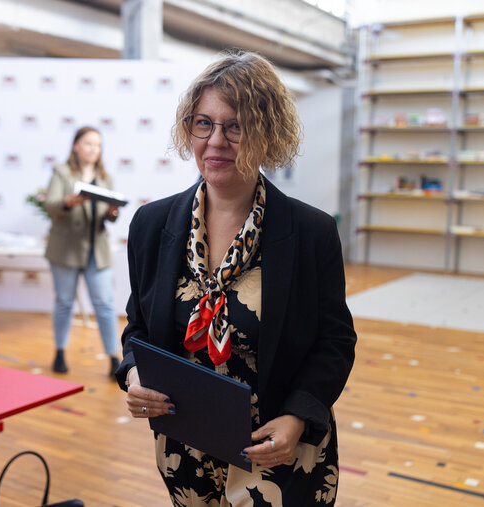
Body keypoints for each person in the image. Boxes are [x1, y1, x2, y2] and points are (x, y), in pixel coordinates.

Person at [115, 51, 357, 505]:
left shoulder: (311, 232)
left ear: (268, 133)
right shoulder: (152, 225)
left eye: (236, 126)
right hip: (186, 448)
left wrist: (298, 418)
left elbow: (336, 342)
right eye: (203, 123)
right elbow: (138, 328)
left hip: (279, 450)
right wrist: (133, 374)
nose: (216, 141)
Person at [44, 126, 121, 378]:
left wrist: (113, 211)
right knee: (64, 302)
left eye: (97, 145)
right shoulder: (61, 171)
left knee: (105, 304)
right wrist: (68, 202)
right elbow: (50, 205)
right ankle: (59, 352)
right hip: (66, 248)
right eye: (88, 143)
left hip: (96, 250)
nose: (93, 149)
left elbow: (109, 216)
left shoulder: (105, 177)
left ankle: (114, 358)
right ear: (76, 145)